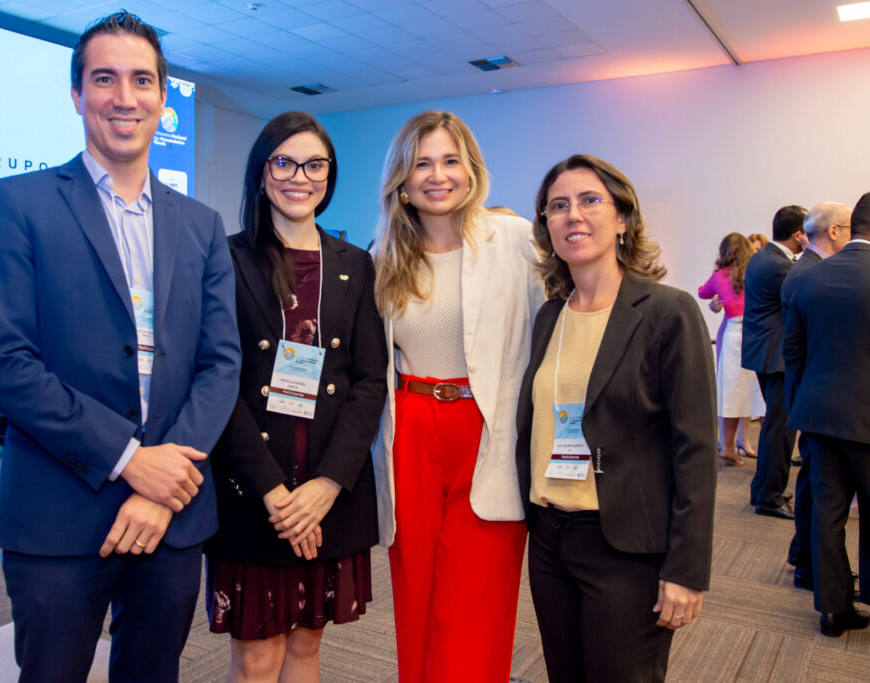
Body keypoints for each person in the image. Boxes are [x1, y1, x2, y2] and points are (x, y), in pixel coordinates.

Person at [0, 12, 241, 682]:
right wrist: (129, 459)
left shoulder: (202, 225)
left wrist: (160, 483)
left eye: (142, 80)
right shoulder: (19, 202)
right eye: (105, 78)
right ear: (77, 94)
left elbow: (220, 364)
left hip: (173, 515)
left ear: (162, 95)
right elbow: (4, 364)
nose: (125, 96)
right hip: (60, 514)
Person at [514, 154, 716, 682]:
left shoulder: (667, 313)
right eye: (558, 206)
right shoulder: (550, 316)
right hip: (552, 540)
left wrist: (686, 570)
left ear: (623, 218)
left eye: (589, 200)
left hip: (625, 546)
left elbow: (695, 448)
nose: (572, 215)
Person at [204, 112, 387, 682]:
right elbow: (217, 382)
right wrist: (277, 495)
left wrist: (325, 487)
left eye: (314, 164)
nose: (299, 176)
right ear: (261, 173)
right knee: (257, 657)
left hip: (331, 492)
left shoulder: (356, 265)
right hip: (253, 490)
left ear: (329, 176)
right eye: (283, 162)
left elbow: (369, 382)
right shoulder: (224, 259)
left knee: (307, 648)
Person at [370, 110, 545, 682]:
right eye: (422, 163)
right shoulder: (385, 257)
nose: (437, 175)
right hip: (413, 431)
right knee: (415, 591)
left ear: (471, 170)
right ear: (401, 177)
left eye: (450, 161)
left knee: (477, 599)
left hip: (488, 429)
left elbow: (555, 329)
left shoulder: (517, 241)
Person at [783, 192, 870, 636]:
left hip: (818, 413)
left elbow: (793, 352)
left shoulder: (808, 277)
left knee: (827, 511)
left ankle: (832, 610)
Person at [780, 201, 852, 593]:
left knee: (815, 484)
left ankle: (805, 558)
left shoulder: (810, 271)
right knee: (814, 485)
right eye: (848, 226)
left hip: (816, 399)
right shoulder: (806, 273)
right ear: (834, 231)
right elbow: (796, 350)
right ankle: (808, 563)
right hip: (814, 399)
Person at [742, 205, 808, 519]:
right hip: (776, 354)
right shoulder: (781, 266)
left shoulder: (764, 256)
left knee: (774, 426)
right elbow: (807, 294)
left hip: (766, 352)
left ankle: (762, 489)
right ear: (799, 234)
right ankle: (769, 496)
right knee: (780, 429)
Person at [697, 233, 764, 466]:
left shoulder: (719, 275)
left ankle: (727, 445)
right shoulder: (756, 272)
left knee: (731, 391)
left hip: (733, 333)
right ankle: (765, 447)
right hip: (758, 331)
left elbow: (702, 292)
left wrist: (717, 298)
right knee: (761, 389)